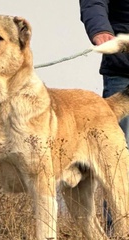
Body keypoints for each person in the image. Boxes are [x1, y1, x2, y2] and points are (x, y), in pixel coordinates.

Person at [79, 0, 129, 235]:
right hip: (122, 72)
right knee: (115, 160)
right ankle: (118, 230)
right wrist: (101, 31)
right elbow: (94, 3)